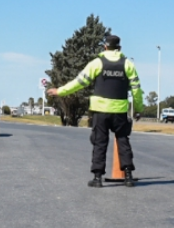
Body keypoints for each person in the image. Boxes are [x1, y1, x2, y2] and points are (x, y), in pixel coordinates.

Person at [47, 34, 145, 187]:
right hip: (119, 110)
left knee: (100, 142)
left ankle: (97, 178)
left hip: (100, 110)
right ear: (119, 48)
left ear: (105, 47)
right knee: (123, 140)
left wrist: (60, 91)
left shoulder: (96, 63)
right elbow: (136, 90)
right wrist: (138, 108)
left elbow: (79, 82)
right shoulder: (128, 64)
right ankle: (128, 176)